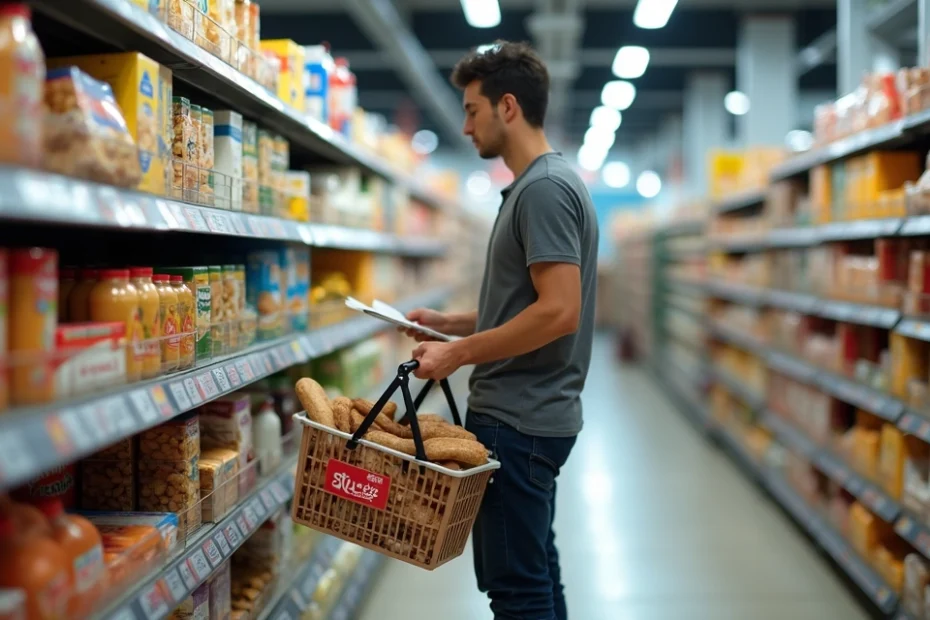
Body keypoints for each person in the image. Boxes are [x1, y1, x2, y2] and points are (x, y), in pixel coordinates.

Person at [403, 40, 599, 620]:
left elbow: (559, 312)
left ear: (507, 106)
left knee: (515, 591)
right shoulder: (538, 186)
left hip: (519, 421)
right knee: (537, 574)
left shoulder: (543, 190)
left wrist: (461, 352)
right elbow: (529, 304)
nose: (464, 126)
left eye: (471, 109)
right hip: (529, 416)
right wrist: (453, 324)